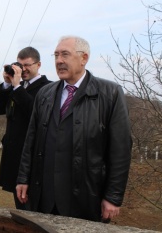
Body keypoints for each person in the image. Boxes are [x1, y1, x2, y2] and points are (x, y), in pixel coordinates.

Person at [16, 36, 132, 222]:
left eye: (65, 54)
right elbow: (31, 141)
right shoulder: (44, 95)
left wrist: (113, 197)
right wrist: (23, 178)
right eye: (56, 55)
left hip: (86, 199)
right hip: (44, 196)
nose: (59, 60)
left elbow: (121, 151)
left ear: (83, 58)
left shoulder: (109, 94)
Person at [0, 46, 51, 210]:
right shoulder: (15, 86)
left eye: (27, 65)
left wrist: (17, 87)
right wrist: (6, 83)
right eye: (19, 65)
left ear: (38, 65)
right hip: (14, 155)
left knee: (32, 205)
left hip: (32, 157)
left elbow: (35, 111)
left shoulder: (47, 87)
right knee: (19, 204)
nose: (23, 70)